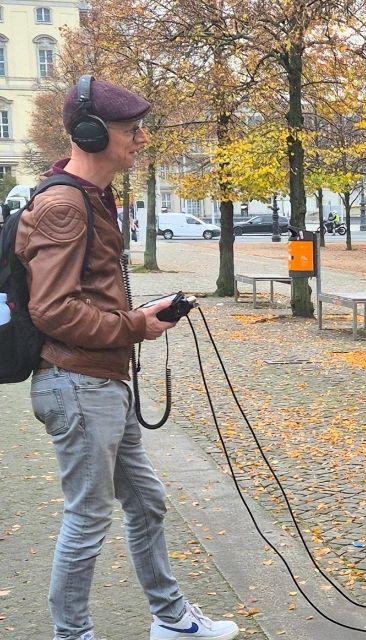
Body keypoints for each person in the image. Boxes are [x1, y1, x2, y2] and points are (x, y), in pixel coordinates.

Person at [15, 76, 239, 640]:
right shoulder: (65, 204)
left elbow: (83, 296)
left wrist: (141, 315)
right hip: (78, 385)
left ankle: (172, 621)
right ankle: (73, 634)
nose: (141, 139)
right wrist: (136, 326)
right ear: (91, 134)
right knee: (87, 520)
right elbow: (54, 311)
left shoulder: (90, 197)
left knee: (147, 504)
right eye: (130, 130)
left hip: (100, 383)